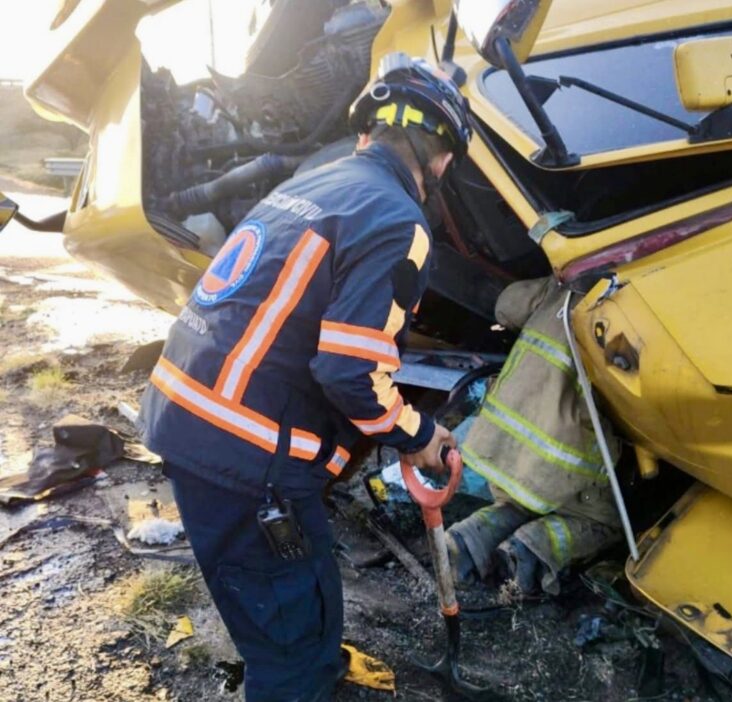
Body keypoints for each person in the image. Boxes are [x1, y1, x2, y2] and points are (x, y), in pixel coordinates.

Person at [137, 52, 472, 702]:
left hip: (187, 425)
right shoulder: (399, 221)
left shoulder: (314, 186)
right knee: (300, 653)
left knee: (273, 621)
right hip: (247, 459)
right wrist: (418, 432)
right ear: (441, 157)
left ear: (369, 130)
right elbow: (350, 369)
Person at [446, 277, 622, 596]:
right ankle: (527, 551)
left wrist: (554, 288)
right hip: (557, 457)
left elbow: (507, 305)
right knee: (604, 521)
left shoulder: (572, 280)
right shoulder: (639, 304)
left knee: (519, 500)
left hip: (497, 445)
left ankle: (466, 542)